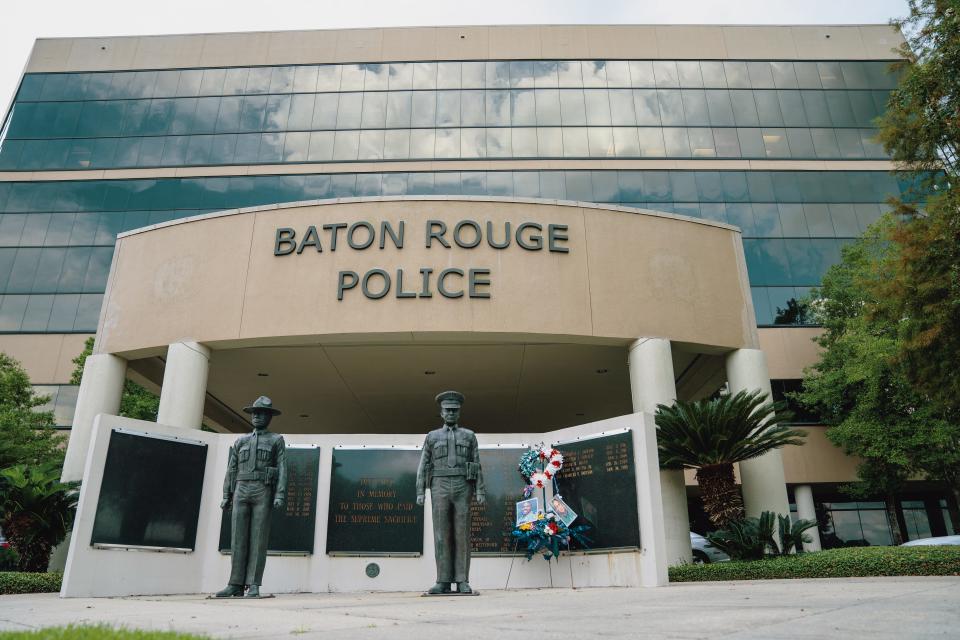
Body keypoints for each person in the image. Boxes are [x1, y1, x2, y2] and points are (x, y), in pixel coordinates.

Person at [215, 396, 287, 598]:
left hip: (262, 489)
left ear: (269, 417)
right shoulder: (241, 441)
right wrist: (226, 494)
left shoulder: (276, 440)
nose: (256, 416)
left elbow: (282, 468)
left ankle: (253, 584)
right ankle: (235, 584)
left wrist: (279, 494)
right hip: (241, 488)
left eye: (261, 413)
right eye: (254, 413)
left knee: (258, 538)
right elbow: (232, 469)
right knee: (237, 538)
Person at [416, 391, 485, 594]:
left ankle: (462, 580)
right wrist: (420, 490)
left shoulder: (469, 436)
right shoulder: (432, 436)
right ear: (441, 412)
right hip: (439, 486)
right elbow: (423, 464)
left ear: (459, 412)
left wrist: (480, 490)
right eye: (448, 410)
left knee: (462, 534)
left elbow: (477, 464)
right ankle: (443, 581)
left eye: (455, 410)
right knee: (441, 534)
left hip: (463, 485)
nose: (451, 413)